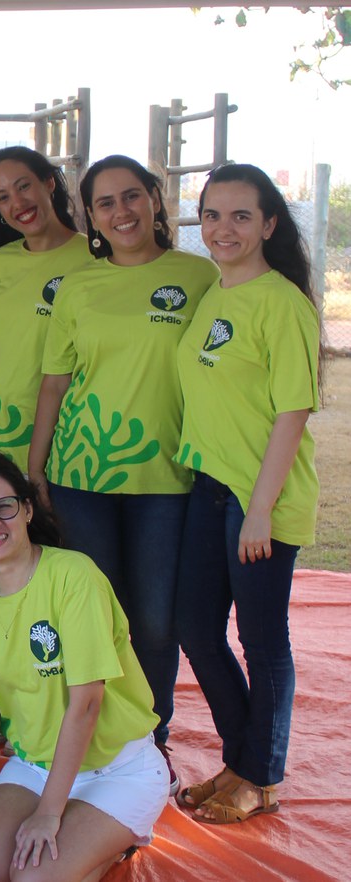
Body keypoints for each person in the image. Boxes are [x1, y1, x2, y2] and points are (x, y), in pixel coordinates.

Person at [27, 155, 218, 790]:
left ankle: (149, 737)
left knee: (157, 620)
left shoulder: (200, 276)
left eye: (131, 196)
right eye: (104, 203)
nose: (121, 211)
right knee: (97, 616)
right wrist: (37, 470)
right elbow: (55, 384)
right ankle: (92, 735)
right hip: (83, 476)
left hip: (169, 479)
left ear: (156, 201)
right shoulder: (79, 286)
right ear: (91, 217)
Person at [0, 452, 169, 882]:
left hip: (118, 769)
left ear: (27, 508)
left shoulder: (74, 576)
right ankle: (86, 850)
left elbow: (87, 706)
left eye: (4, 506)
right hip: (36, 766)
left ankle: (106, 847)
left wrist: (48, 814)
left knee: (33, 878)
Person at [172, 164, 320, 824]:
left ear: (269, 225)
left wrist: (259, 509)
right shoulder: (215, 291)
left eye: (239, 216)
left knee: (262, 641)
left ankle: (261, 775)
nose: (222, 228)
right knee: (196, 628)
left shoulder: (282, 301)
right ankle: (241, 760)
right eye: (211, 215)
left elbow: (293, 412)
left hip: (260, 499)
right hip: (208, 487)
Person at [0, 146, 93, 471]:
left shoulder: (94, 259)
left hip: (56, 431)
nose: (17, 203)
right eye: (3, 197)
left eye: (23, 186)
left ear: (48, 183)